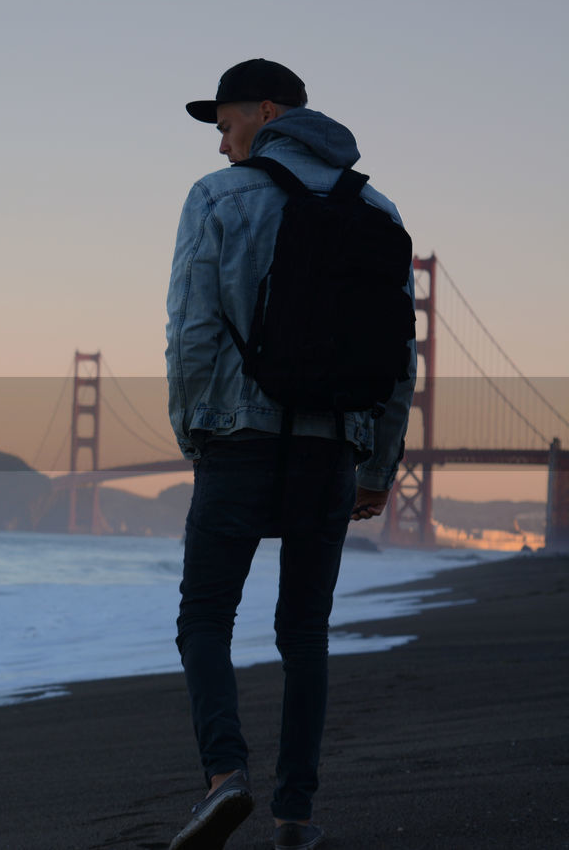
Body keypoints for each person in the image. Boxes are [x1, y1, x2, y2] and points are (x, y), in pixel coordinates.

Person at [163, 59, 415, 850]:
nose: (221, 145)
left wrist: (192, 432)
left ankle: (223, 777)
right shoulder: (374, 205)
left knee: (205, 616)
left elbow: (191, 332)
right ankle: (295, 816)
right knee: (303, 630)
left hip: (236, 439)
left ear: (266, 111)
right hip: (330, 448)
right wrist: (377, 466)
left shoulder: (217, 198)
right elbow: (399, 355)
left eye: (227, 124)